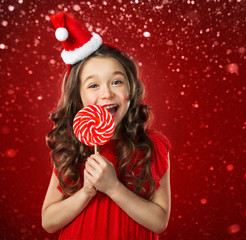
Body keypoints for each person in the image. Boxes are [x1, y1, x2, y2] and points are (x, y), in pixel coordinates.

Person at [41, 12, 171, 239]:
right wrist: (87, 192)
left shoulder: (152, 146)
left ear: (131, 90)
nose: (107, 93)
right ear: (78, 97)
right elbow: (49, 222)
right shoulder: (71, 147)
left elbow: (159, 222)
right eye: (93, 85)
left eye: (117, 81)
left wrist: (113, 187)